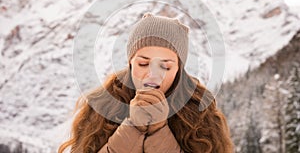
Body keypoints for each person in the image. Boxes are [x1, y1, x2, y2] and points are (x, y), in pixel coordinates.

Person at [58, 13, 234, 153]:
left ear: (179, 69)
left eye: (165, 66)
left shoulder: (200, 110)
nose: (153, 75)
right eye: (143, 63)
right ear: (130, 63)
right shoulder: (102, 104)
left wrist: (159, 130)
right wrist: (133, 127)